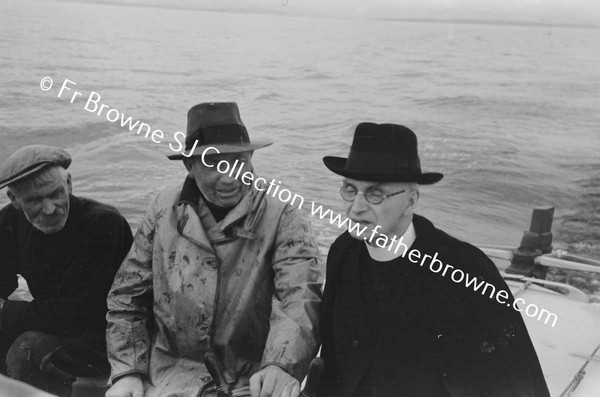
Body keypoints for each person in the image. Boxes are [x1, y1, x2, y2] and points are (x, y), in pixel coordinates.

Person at [105, 102, 323, 397]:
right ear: (189, 166)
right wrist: (128, 371)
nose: (229, 177)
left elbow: (299, 299)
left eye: (238, 161)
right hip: (171, 377)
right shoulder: (162, 209)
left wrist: (279, 365)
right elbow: (127, 298)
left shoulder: (285, 215)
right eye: (213, 163)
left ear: (251, 157)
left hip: (251, 380)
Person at [317, 123, 550, 397]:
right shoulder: (342, 252)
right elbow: (332, 361)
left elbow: (511, 379)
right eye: (349, 189)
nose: (355, 209)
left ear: (411, 202)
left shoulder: (467, 271)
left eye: (375, 194)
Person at [0, 145, 134, 396]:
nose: (49, 208)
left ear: (69, 184)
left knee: (25, 352)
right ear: (14, 200)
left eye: (55, 194)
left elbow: (77, 311)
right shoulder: (9, 221)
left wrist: (6, 311)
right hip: (56, 323)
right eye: (34, 200)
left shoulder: (102, 223)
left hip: (108, 332)